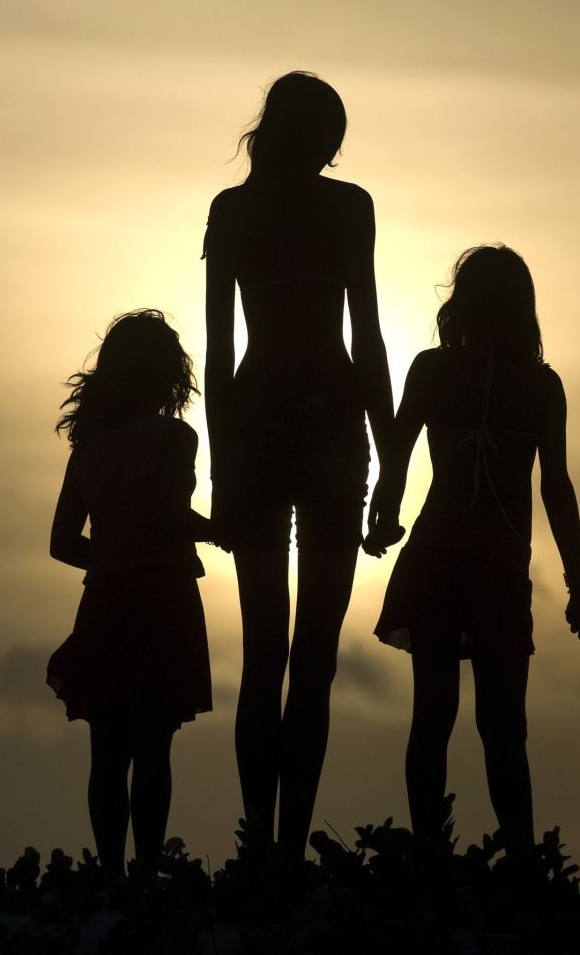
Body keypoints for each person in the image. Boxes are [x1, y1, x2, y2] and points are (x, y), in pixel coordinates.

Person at [204, 71, 394, 858]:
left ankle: (263, 849)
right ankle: (280, 853)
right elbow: (367, 336)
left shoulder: (233, 210)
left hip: (256, 429)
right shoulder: (349, 207)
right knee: (311, 659)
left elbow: (220, 356)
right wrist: (392, 458)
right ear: (324, 138)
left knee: (266, 655)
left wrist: (223, 470)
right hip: (330, 428)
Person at [364, 245, 580, 855]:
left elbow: (397, 454)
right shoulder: (541, 386)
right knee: (503, 729)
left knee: (433, 717)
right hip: (497, 565)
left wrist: (383, 516)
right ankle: (520, 862)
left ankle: (431, 859)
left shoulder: (433, 370)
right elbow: (556, 487)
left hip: (437, 557)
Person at [48, 310, 215, 880]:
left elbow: (62, 543)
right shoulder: (175, 436)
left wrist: (111, 556)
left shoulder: (88, 450)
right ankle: (145, 873)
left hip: (105, 601)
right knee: (153, 749)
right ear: (169, 373)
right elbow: (170, 514)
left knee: (107, 752)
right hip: (163, 598)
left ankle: (111, 876)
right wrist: (220, 530)